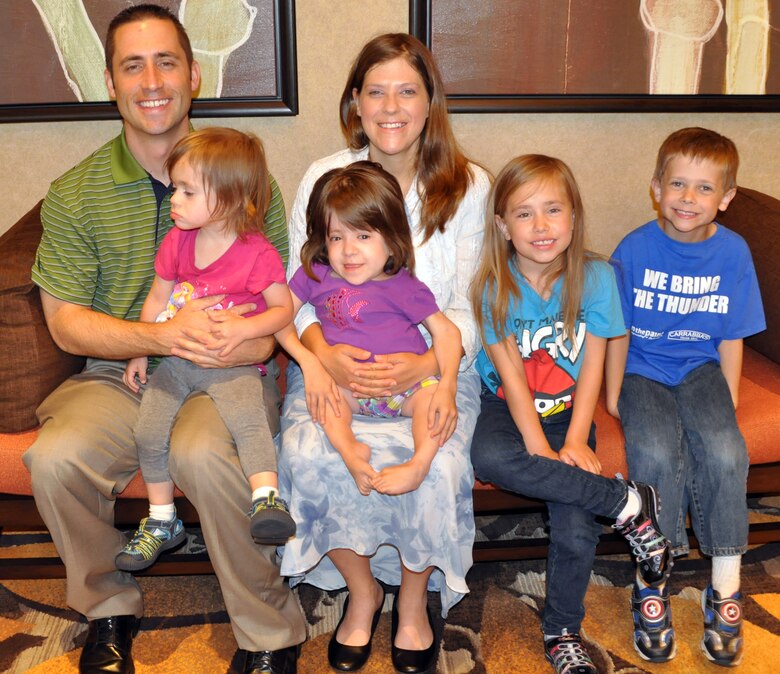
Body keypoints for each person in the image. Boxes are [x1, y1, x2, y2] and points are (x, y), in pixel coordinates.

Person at [22, 6, 305, 674]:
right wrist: (158, 335)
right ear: (110, 84)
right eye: (132, 65)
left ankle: (269, 636)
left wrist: (232, 344)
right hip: (122, 375)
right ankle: (108, 608)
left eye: (166, 61)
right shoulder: (76, 193)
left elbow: (274, 322)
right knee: (57, 456)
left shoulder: (245, 182)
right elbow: (64, 322)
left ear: (194, 76)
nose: (151, 80)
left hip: (225, 371)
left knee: (207, 452)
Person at [279, 33, 490, 674]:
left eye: (407, 89)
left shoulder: (467, 185)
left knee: (441, 465)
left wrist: (428, 367)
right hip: (332, 362)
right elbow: (298, 295)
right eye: (376, 90)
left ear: (431, 103)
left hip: (431, 368)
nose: (391, 105)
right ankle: (364, 591)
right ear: (355, 101)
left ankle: (416, 602)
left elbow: (470, 306)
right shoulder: (323, 177)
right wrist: (321, 360)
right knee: (306, 452)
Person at [469, 154, 673, 674]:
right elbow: (512, 381)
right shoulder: (493, 285)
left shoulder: (598, 277)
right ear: (502, 225)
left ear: (574, 217)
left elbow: (593, 368)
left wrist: (577, 437)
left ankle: (561, 629)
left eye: (553, 210)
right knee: (489, 456)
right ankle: (627, 504)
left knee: (576, 523)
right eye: (524, 214)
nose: (541, 226)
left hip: (568, 410)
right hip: (506, 406)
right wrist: (539, 447)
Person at [606, 127, 765, 667]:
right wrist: (612, 393)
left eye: (703, 189)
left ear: (726, 197)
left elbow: (733, 334)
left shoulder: (734, 252)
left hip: (701, 370)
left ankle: (725, 587)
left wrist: (731, 399)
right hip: (641, 370)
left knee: (725, 450)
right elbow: (614, 330)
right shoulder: (634, 248)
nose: (688, 199)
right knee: (652, 451)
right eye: (678, 184)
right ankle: (653, 581)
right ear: (656, 186)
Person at [115, 128, 296, 574]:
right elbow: (158, 299)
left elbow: (282, 310)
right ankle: (161, 521)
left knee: (247, 420)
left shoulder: (257, 254)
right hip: (177, 363)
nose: (173, 198)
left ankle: (265, 499)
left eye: (187, 191)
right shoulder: (178, 241)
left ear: (231, 198)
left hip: (232, 367)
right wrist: (140, 349)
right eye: (175, 187)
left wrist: (243, 330)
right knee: (149, 428)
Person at [281, 161, 461, 497]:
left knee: (431, 402)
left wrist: (448, 384)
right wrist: (310, 362)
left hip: (406, 387)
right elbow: (280, 317)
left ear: (392, 241)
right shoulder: (316, 274)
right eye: (337, 237)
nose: (349, 250)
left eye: (363, 235)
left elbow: (448, 333)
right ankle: (351, 451)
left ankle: (419, 463)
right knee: (326, 403)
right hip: (347, 386)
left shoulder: (404, 285)